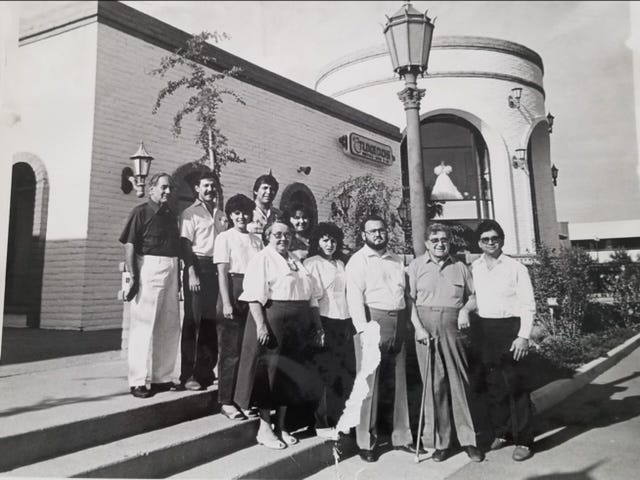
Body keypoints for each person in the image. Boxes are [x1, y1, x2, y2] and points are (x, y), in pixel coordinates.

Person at [238, 218, 324, 449]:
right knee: (270, 374)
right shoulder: (262, 259)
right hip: (275, 319)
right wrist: (261, 325)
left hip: (299, 323)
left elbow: (312, 297)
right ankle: (265, 429)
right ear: (268, 236)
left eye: (287, 234)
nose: (283, 238)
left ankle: (282, 426)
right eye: (277, 234)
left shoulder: (296, 260)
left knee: (288, 376)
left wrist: (317, 325)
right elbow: (254, 296)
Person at [408, 223, 483, 463]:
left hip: (454, 328)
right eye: (435, 240)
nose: (440, 244)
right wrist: (418, 328)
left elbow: (474, 296)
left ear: (450, 242)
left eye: (444, 240)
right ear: (427, 243)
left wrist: (465, 311)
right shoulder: (416, 266)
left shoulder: (460, 266)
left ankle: (469, 441)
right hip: (425, 328)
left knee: (459, 382)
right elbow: (408, 301)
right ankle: (441, 443)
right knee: (434, 385)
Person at [345, 215, 413, 463]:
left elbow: (404, 293)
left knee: (400, 381)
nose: (378, 235)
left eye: (381, 230)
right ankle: (367, 442)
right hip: (373, 322)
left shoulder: (396, 260)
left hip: (399, 321)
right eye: (372, 231)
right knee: (369, 386)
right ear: (364, 235)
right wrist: (362, 329)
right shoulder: (358, 261)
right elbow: (354, 298)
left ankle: (402, 437)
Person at [470, 219, 536, 462]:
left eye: (494, 238)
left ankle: (524, 441)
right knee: (494, 385)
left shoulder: (515, 268)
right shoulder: (474, 267)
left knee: (516, 386)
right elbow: (474, 297)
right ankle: (503, 432)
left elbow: (528, 305)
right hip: (485, 330)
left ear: (501, 240)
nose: (490, 243)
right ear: (478, 242)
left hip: (510, 329)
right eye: (485, 239)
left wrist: (523, 336)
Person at [119, 173, 181, 398]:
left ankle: (161, 378)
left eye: (170, 188)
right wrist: (133, 276)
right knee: (143, 326)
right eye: (163, 187)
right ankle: (137, 381)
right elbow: (130, 245)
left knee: (168, 325)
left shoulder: (170, 215)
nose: (167, 192)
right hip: (149, 267)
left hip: (172, 267)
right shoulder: (141, 212)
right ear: (152, 188)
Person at [213, 193, 264, 420]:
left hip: (252, 291)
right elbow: (222, 272)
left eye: (245, 212)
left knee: (248, 349)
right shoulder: (224, 238)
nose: (241, 217)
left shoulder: (256, 240)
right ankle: (226, 401)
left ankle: (243, 399)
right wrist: (226, 302)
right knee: (230, 350)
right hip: (232, 290)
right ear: (230, 215)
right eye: (237, 213)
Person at [303, 222, 354, 439]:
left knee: (341, 372)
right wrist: (318, 327)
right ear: (317, 241)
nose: (329, 244)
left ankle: (338, 418)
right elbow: (312, 298)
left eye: (333, 240)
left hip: (343, 321)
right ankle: (320, 421)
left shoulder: (341, 264)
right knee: (323, 372)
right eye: (325, 240)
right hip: (324, 321)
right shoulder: (311, 263)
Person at [179, 171, 227, 391]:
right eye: (206, 186)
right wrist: (191, 273)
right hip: (198, 266)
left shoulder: (220, 214)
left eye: (213, 186)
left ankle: (205, 371)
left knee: (211, 321)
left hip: (217, 269)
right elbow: (185, 246)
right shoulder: (190, 213)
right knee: (194, 321)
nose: (210, 190)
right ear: (197, 188)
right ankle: (188, 374)